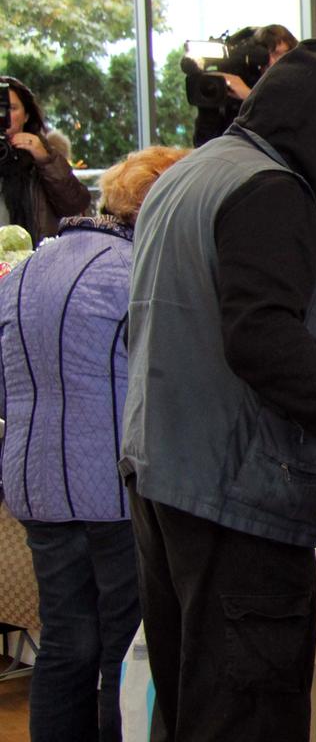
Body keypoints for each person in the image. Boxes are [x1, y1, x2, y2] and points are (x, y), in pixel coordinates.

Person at [120, 39, 316, 741]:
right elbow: (262, 339)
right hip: (236, 493)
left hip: (167, 476)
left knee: (192, 700)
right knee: (245, 711)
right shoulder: (270, 192)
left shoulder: (192, 174)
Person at [0, 145, 186, 742]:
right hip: (114, 483)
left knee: (64, 641)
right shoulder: (135, 272)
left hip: (34, 482)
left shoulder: (28, 267)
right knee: (120, 648)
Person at [1, 75, 93, 242]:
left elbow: (75, 205)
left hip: (37, 260)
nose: (3, 116)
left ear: (27, 115)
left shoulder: (44, 153)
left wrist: (45, 160)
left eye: (12, 108)